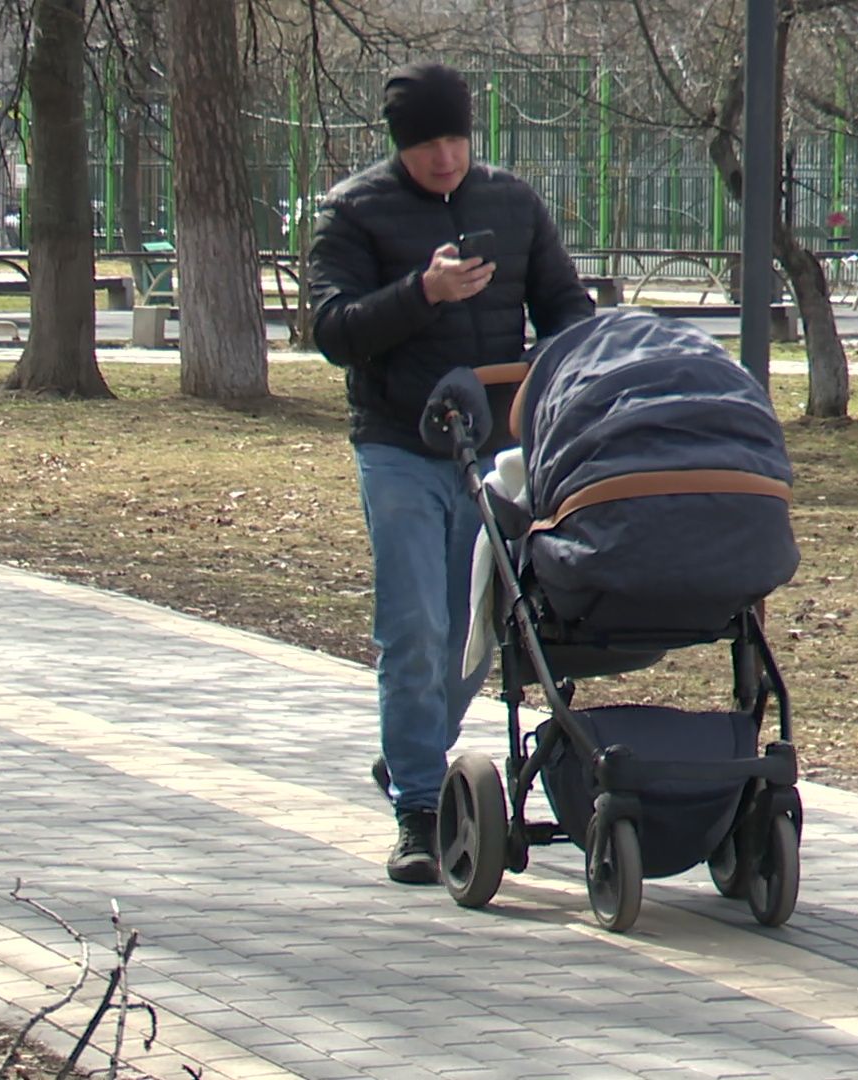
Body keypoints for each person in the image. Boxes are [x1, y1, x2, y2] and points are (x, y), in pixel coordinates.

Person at [308, 61, 593, 884]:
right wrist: (422, 293)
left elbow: (564, 306)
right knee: (414, 627)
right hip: (399, 444)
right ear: (400, 144)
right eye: (427, 143)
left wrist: (560, 373)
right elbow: (332, 329)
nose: (445, 157)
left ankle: (412, 758)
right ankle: (420, 809)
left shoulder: (513, 203)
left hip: (496, 451)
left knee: (477, 632)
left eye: (456, 138)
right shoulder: (354, 210)